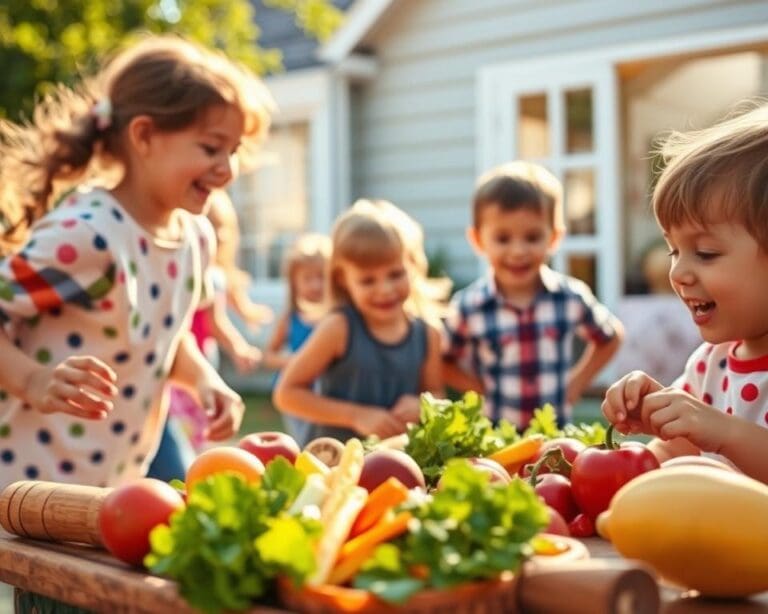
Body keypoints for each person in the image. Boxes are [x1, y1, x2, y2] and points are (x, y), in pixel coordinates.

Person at [0, 34, 272, 488]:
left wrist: (204, 380)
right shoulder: (88, 236)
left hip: (111, 485)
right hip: (23, 488)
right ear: (144, 135)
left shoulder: (195, 238)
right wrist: (33, 381)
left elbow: (162, 338)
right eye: (211, 148)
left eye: (234, 151)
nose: (227, 169)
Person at [601, 103, 768, 484]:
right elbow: (676, 455)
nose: (677, 272)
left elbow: (715, 435)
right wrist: (660, 418)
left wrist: (725, 433)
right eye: (674, 251)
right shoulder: (709, 364)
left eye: (705, 253)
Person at [443, 161, 623, 428]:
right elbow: (441, 360)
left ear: (554, 238)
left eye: (532, 237)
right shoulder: (469, 306)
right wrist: (476, 388)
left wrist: (576, 383)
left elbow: (611, 337)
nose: (518, 251)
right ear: (478, 240)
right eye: (503, 239)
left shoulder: (569, 297)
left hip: (555, 436)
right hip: (497, 438)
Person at [273, 200, 444, 442]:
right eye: (367, 281)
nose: (385, 289)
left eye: (396, 274)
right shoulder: (339, 328)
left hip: (399, 459)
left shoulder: (427, 333)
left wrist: (423, 404)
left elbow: (437, 393)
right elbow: (287, 394)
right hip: (333, 459)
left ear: (414, 266)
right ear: (343, 279)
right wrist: (356, 416)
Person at [148, 190, 265, 481]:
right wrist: (237, 346)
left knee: (197, 420)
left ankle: (190, 460)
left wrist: (245, 324)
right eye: (211, 226)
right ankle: (183, 461)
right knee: (178, 420)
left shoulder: (216, 275)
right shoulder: (191, 269)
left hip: (201, 358)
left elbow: (220, 316)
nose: (217, 235)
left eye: (221, 229)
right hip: (183, 359)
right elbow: (215, 323)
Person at [263, 233, 331, 446]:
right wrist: (296, 362)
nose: (316, 285)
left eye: (322, 277)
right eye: (307, 279)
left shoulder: (336, 319)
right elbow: (269, 355)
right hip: (296, 390)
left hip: (326, 392)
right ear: (294, 283)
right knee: (306, 442)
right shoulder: (290, 318)